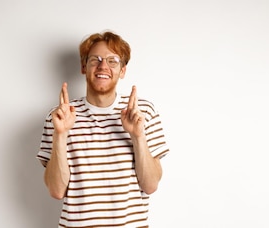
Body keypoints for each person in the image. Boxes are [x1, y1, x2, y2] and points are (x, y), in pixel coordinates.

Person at [36, 30, 170, 228]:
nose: (103, 66)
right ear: (84, 66)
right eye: (95, 59)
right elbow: (56, 191)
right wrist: (61, 135)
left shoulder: (143, 112)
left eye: (112, 60)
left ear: (122, 70)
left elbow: (150, 185)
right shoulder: (60, 117)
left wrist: (137, 136)